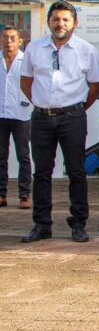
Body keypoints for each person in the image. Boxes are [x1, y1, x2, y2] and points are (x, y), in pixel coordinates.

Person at [19, 1, 99, 243]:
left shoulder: (86, 50)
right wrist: (39, 102)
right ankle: (41, 224)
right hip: (42, 117)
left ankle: (78, 224)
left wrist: (77, 108)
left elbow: (95, 87)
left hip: (72, 118)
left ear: (75, 23)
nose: (60, 24)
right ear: (49, 22)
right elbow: (26, 82)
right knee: (42, 173)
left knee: (76, 171)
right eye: (56, 19)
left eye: (66, 19)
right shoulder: (35, 48)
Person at [0, 28, 32, 209]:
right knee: (1, 156)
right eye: (5, 37)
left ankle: (25, 195)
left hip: (21, 115)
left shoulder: (25, 61)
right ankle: (1, 194)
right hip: (0, 114)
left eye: (13, 38)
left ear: (19, 41)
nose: (8, 41)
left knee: (23, 156)